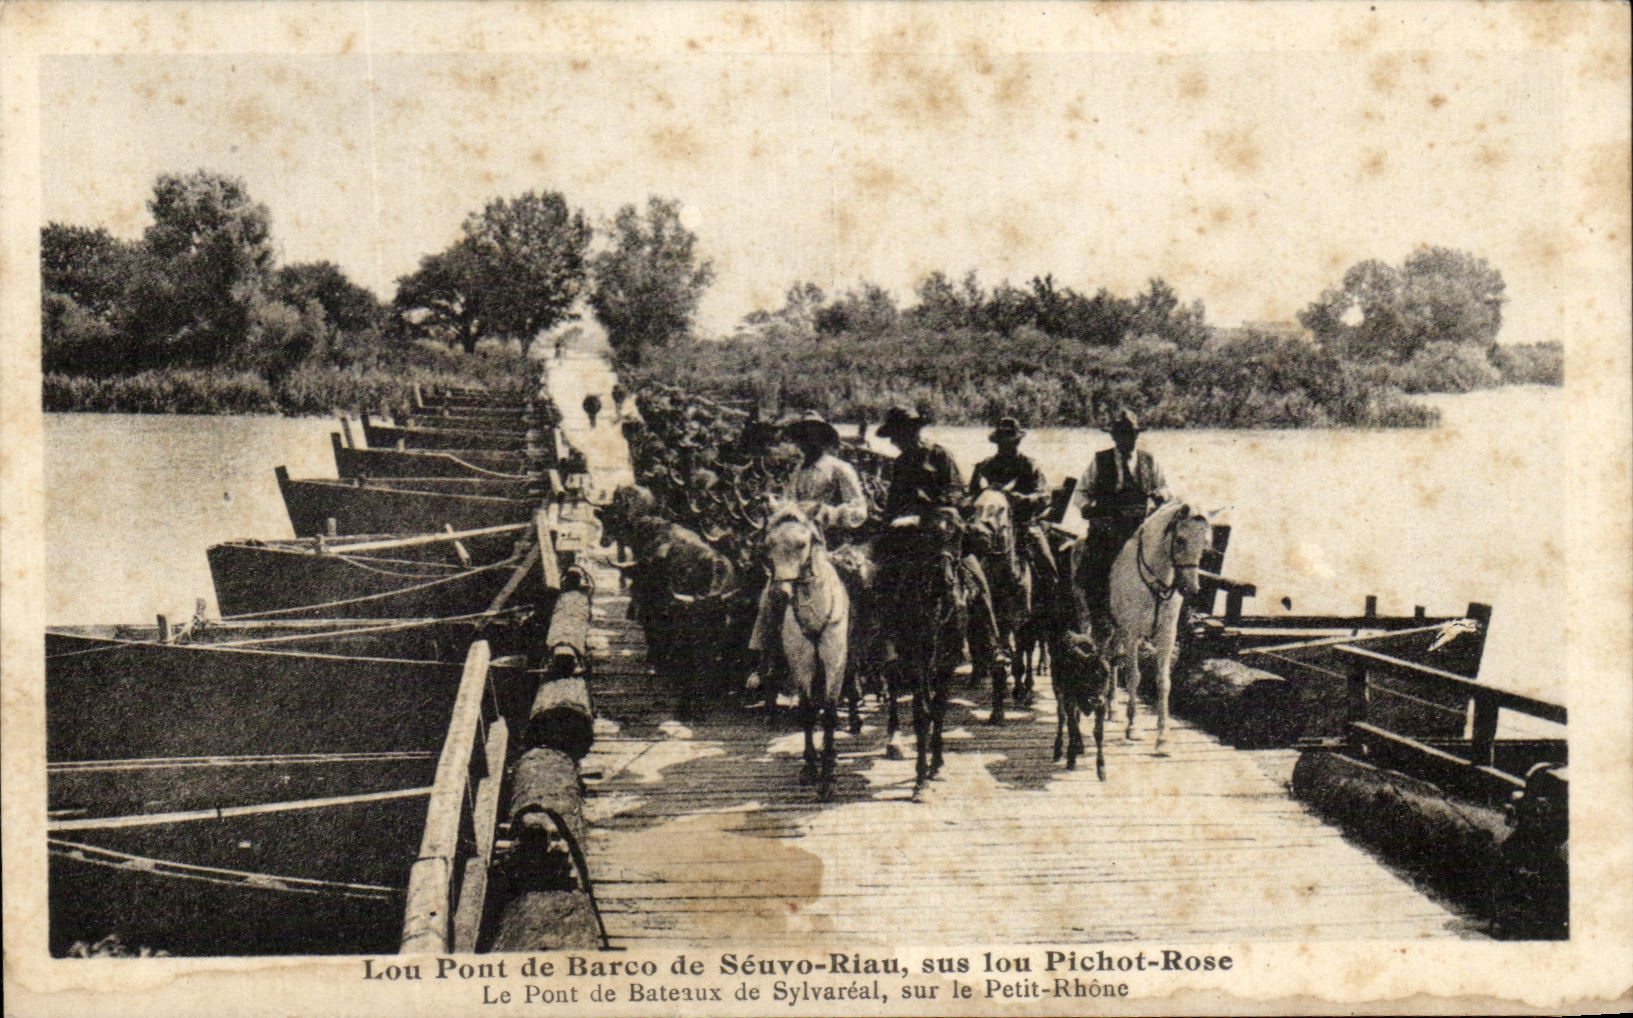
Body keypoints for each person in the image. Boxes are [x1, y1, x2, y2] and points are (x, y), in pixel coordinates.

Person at [873, 406, 1004, 694]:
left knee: (974, 577)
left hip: (941, 528)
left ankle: (991, 645)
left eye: (903, 433)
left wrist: (927, 510)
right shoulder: (899, 464)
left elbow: (956, 490)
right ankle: (885, 647)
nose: (899, 440)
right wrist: (890, 521)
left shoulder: (939, 455)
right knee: (881, 577)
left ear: (915, 431)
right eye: (896, 435)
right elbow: (893, 502)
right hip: (908, 536)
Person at [745, 413, 869, 693]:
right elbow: (789, 506)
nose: (805, 443)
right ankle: (768, 657)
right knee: (772, 591)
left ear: (823, 439)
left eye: (811, 436)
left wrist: (826, 512)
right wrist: (779, 508)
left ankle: (863, 657)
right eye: (802, 437)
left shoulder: (839, 469)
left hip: (835, 547)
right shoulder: (797, 472)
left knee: (860, 586)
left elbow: (859, 510)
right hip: (801, 549)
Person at [1070, 408, 1170, 620]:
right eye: (1123, 435)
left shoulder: (1148, 461)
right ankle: (1098, 616)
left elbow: (1164, 487)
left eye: (1132, 434)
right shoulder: (1101, 460)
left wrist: (1161, 494)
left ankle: (1164, 611)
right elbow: (1080, 491)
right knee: (1095, 571)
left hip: (1140, 526)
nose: (1128, 439)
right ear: (1114, 437)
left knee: (1167, 559)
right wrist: (1086, 507)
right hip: (1108, 528)